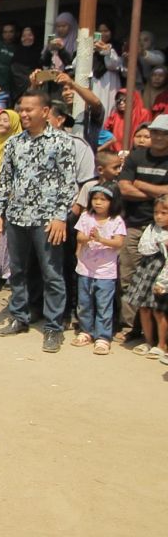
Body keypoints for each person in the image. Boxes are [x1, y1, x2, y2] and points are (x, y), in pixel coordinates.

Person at [0, 89, 78, 353]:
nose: (24, 114)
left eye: (30, 109)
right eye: (22, 109)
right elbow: (4, 179)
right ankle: (20, 316)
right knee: (17, 271)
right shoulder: (14, 143)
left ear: (45, 112)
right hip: (17, 217)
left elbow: (68, 184)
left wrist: (60, 217)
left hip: (47, 220)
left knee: (52, 273)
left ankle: (53, 327)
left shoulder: (62, 142)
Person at [118, 115, 168, 338]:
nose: (158, 137)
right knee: (129, 279)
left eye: (164, 133)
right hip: (135, 225)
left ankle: (158, 338)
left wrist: (139, 184)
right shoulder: (136, 157)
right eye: (155, 132)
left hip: (164, 230)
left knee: (160, 284)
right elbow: (124, 189)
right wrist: (159, 192)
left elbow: (133, 186)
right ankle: (132, 328)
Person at [70, 184, 125, 355]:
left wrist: (101, 239)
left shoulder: (116, 221)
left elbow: (118, 243)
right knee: (84, 303)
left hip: (106, 272)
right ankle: (86, 331)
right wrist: (88, 238)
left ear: (112, 202)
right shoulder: (86, 216)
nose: (98, 203)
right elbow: (79, 236)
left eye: (103, 199)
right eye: (95, 199)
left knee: (103, 304)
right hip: (85, 268)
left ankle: (102, 337)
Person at [127, 196, 168, 359]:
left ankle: (162, 344)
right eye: (156, 212)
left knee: (160, 311)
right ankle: (148, 341)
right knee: (144, 308)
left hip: (163, 276)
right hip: (147, 272)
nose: (158, 216)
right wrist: (160, 243)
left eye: (163, 212)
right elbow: (143, 247)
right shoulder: (152, 229)